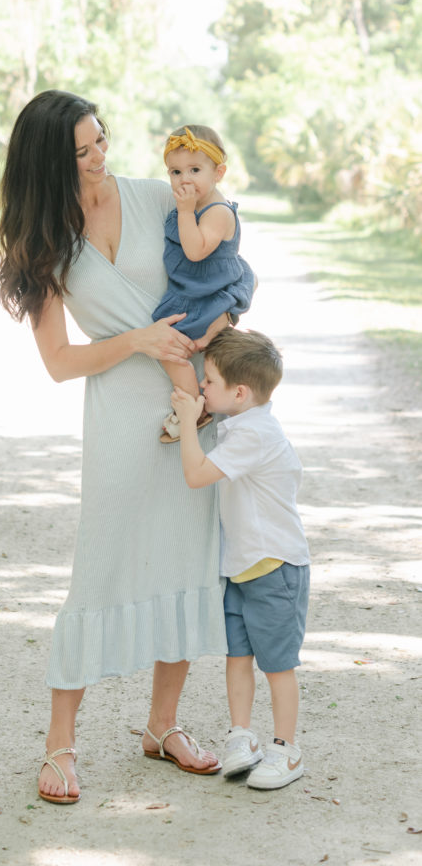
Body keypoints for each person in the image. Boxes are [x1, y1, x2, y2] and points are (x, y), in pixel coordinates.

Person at [0, 90, 256, 805]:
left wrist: (216, 340)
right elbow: (59, 361)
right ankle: (60, 743)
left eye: (101, 139)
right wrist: (137, 340)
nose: (100, 157)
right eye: (81, 151)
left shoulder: (155, 198)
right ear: (51, 163)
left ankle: (162, 726)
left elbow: (233, 259)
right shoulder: (47, 240)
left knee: (186, 559)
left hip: (189, 408)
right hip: (118, 413)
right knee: (100, 565)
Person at [170, 327, 310, 790]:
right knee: (238, 656)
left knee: (277, 665)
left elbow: (195, 475)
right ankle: (242, 736)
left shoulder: (257, 435)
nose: (201, 387)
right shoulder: (241, 424)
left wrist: (188, 420)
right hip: (241, 568)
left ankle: (286, 751)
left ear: (241, 392)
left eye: (208, 381)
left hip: (274, 567)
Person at [152, 125, 252, 444]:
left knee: (172, 348)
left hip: (203, 299)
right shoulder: (196, 205)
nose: (184, 179)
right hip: (189, 293)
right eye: (176, 171)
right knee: (171, 349)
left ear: (218, 172)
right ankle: (199, 402)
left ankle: (194, 406)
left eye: (195, 170)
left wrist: (183, 211)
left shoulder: (218, 212)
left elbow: (194, 251)